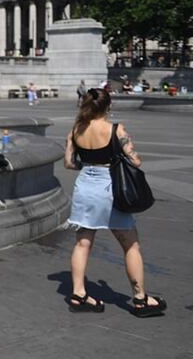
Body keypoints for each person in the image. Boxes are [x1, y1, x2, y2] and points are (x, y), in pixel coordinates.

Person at [63, 88, 166, 317]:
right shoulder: (116, 130)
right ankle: (140, 299)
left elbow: (69, 163)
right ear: (108, 106)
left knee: (82, 243)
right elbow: (135, 161)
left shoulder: (76, 130)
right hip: (110, 189)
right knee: (130, 245)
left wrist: (87, 166)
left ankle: (78, 294)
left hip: (85, 188)